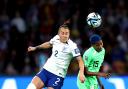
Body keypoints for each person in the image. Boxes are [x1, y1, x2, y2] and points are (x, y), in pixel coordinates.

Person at [26, 24, 85, 89]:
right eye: (63, 33)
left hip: (57, 75)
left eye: (66, 33)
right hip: (46, 70)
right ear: (59, 34)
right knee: (31, 87)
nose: (65, 35)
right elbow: (49, 44)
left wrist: (81, 73)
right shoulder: (56, 38)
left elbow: (80, 60)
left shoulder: (72, 46)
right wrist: (36, 48)